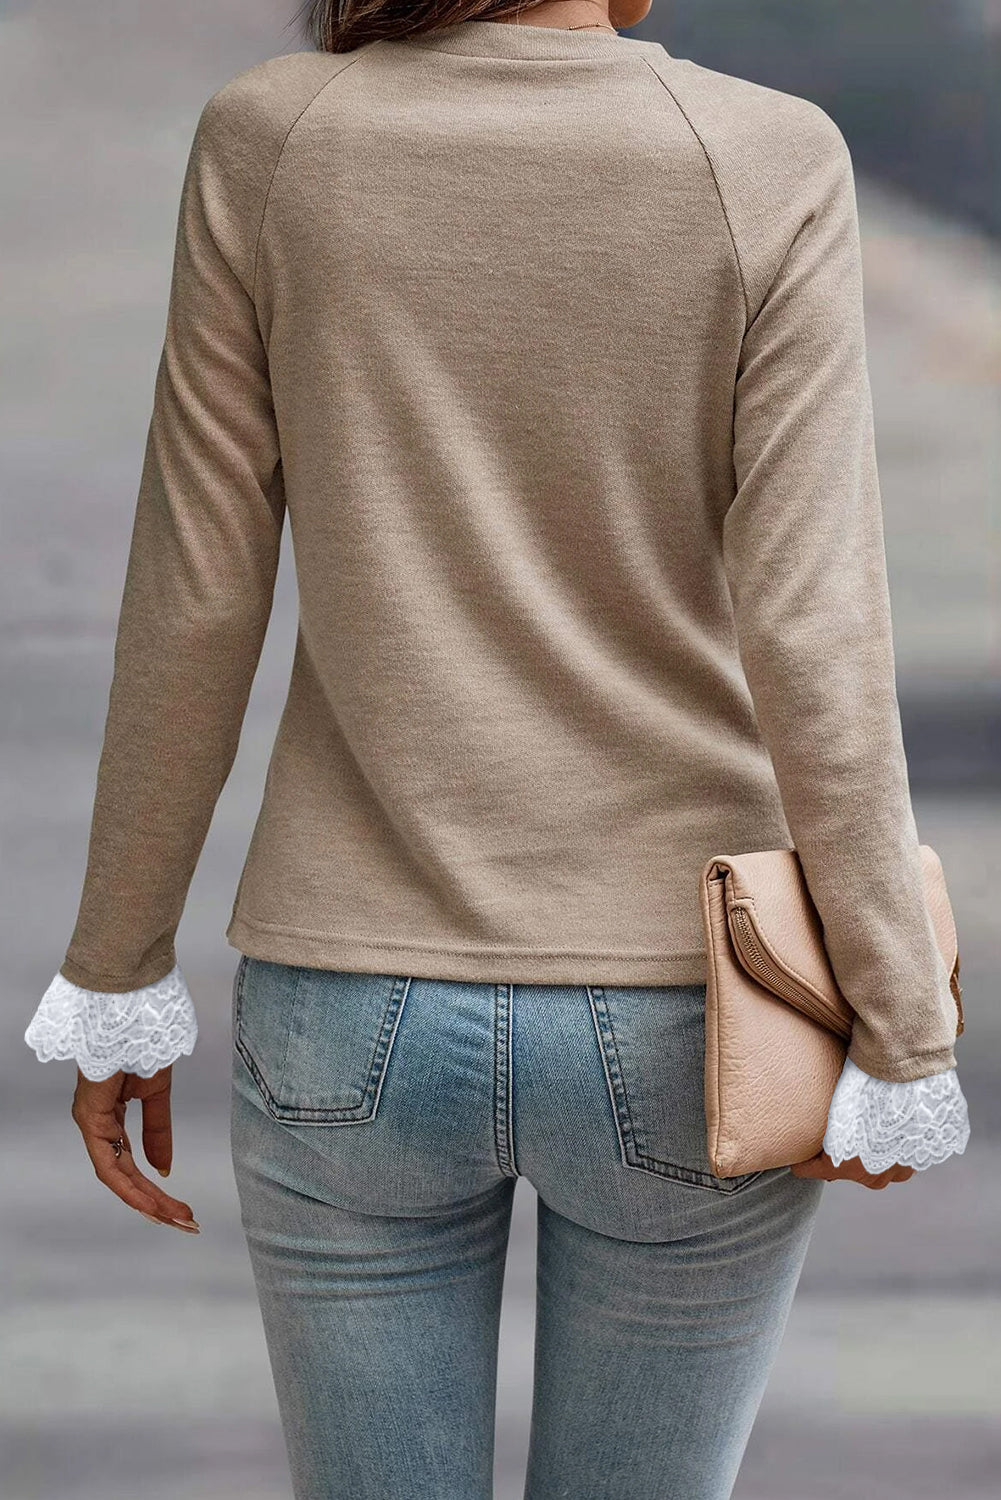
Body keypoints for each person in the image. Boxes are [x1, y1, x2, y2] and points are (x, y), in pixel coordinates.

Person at [24, 1, 970, 1495]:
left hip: (349, 1006)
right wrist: (902, 1024)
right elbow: (814, 628)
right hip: (689, 1007)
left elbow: (197, 590)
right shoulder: (765, 157)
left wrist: (117, 972)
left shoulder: (274, 140)